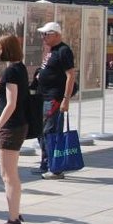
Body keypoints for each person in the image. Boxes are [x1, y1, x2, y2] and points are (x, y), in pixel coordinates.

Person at [0, 34, 30, 224]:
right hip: (18, 125)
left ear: (6, 49)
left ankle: (13, 222)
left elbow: (11, 104)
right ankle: (15, 215)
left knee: (8, 176)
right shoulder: (19, 67)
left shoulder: (12, 71)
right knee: (11, 175)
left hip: (11, 127)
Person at [34, 22, 76, 179]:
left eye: (47, 34)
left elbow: (71, 75)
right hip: (44, 97)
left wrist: (65, 99)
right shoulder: (52, 50)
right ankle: (46, 163)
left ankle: (56, 168)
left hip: (54, 98)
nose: (43, 37)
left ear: (57, 35)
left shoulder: (64, 51)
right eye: (43, 34)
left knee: (50, 133)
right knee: (41, 132)